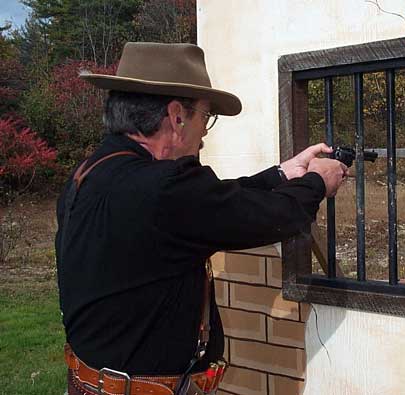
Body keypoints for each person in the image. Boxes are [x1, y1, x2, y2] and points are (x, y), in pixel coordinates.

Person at [55, 42, 347, 395]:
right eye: (205, 118)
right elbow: (276, 217)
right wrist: (318, 180)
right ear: (177, 116)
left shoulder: (89, 174)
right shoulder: (167, 190)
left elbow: (212, 205)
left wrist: (281, 174)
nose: (205, 132)